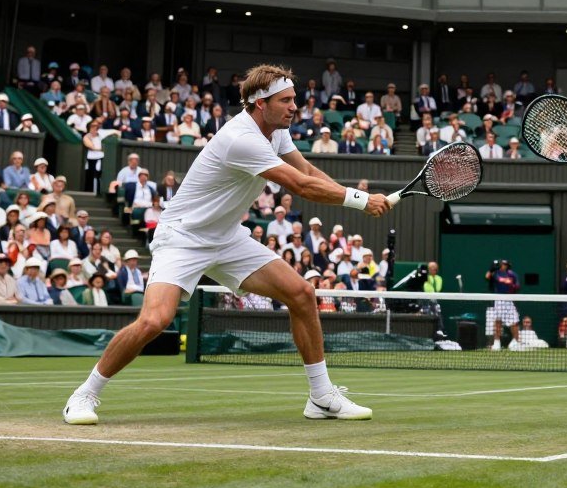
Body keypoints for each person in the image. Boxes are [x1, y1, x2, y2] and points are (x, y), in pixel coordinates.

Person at [62, 63, 386, 425]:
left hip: (227, 237)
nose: (296, 106)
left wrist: (362, 197)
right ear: (261, 104)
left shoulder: (277, 132)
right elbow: (301, 187)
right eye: (287, 100)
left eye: (294, 98)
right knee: (155, 320)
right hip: (183, 237)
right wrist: (360, 201)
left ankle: (322, 397)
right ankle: (84, 394)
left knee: (302, 294)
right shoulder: (240, 138)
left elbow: (308, 172)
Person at [485, 258, 521, 350]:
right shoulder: (495, 273)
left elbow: (517, 285)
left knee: (514, 321)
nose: (503, 266)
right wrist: (491, 269)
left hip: (509, 299)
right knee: (498, 321)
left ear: (507, 266)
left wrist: (512, 285)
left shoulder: (512, 274)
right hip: (498, 300)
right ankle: (496, 343)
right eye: (502, 264)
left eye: (505, 264)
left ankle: (516, 341)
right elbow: (487, 276)